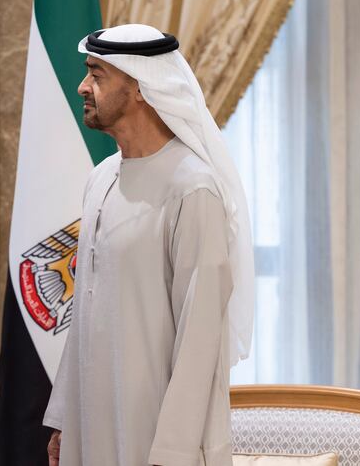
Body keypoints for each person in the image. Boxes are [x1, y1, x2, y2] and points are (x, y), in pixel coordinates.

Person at [43, 24, 255, 466]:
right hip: (92, 424)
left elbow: (201, 339)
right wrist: (65, 419)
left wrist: (172, 453)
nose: (82, 86)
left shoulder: (193, 189)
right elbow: (85, 308)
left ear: (139, 87)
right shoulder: (100, 179)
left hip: (159, 438)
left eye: (97, 75)